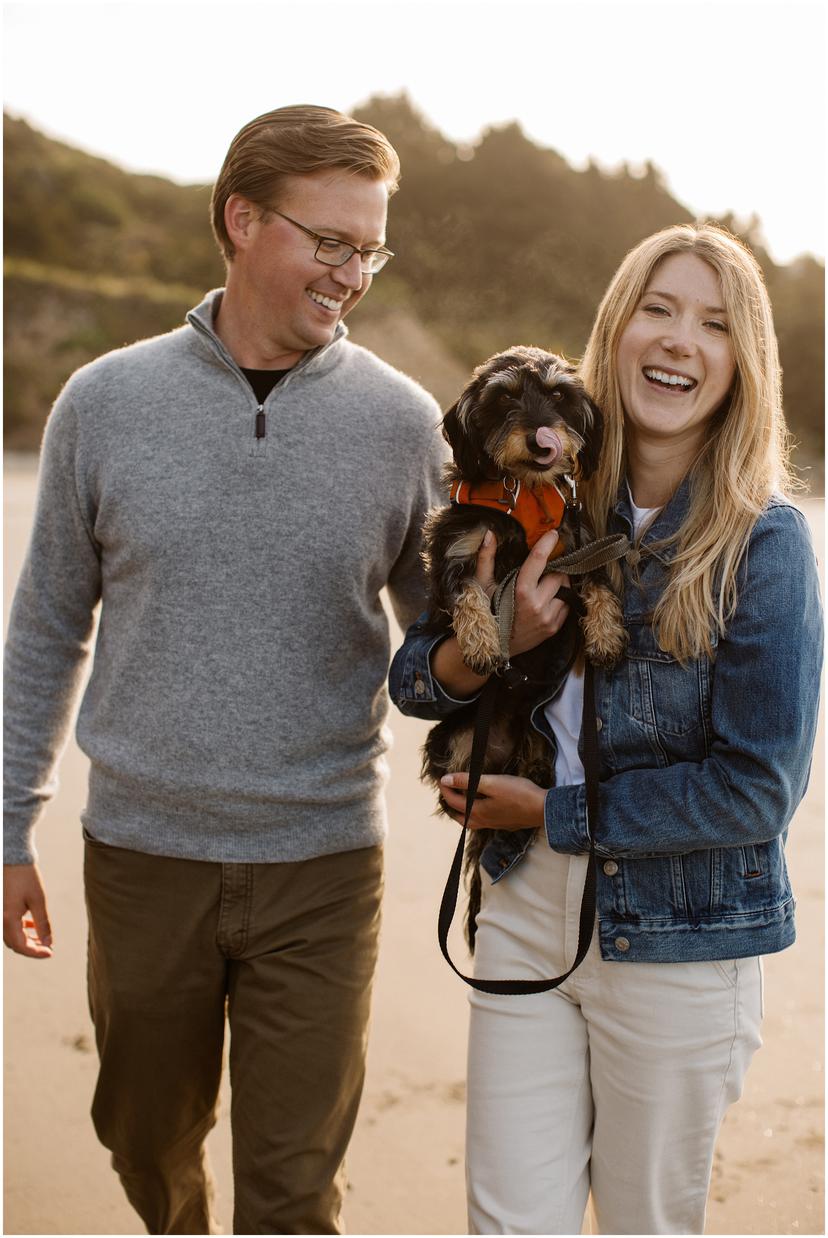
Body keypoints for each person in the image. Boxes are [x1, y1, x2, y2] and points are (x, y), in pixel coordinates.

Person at [3, 105, 446, 1235]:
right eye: (330, 241)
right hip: (144, 854)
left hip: (324, 860)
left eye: (370, 247)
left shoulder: (403, 425)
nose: (352, 272)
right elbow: (48, 626)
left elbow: (435, 653)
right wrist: (8, 826)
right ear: (242, 219)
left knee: (295, 1190)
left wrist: (513, 642)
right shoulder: (105, 404)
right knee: (143, 1136)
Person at [389, 222, 823, 1235]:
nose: (679, 340)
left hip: (678, 937)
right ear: (615, 331)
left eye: (713, 323)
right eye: (658, 310)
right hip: (522, 902)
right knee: (508, 1222)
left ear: (740, 362)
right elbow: (416, 681)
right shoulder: (523, 508)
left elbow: (758, 790)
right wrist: (493, 633)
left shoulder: (766, 544)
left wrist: (559, 808)